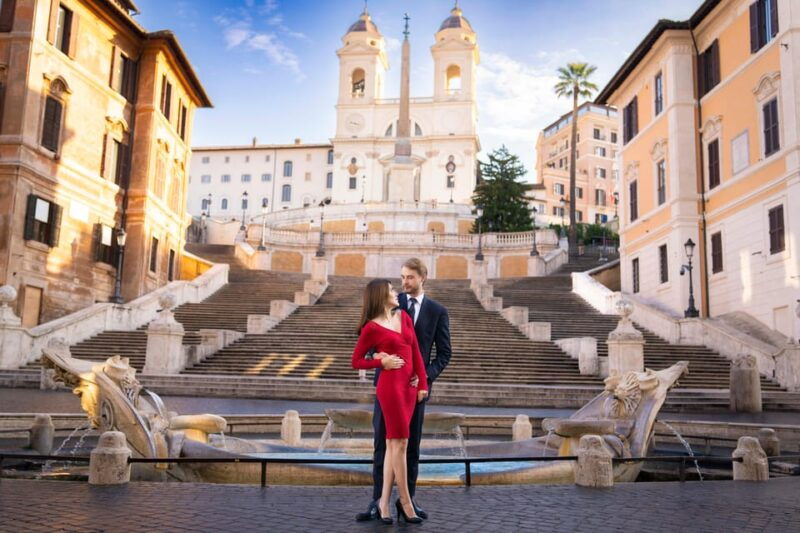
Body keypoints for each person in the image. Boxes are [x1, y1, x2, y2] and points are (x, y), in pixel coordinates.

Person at [356, 258, 452, 522]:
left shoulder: (437, 310)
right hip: (387, 385)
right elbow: (370, 339)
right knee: (381, 443)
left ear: (423, 277)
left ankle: (407, 501)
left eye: (409, 277)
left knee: (411, 447)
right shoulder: (390, 304)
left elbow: (444, 354)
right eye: (402, 277)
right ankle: (378, 502)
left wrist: (424, 379)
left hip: (415, 390)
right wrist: (380, 356)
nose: (404, 283)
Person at [351, 278, 429, 525]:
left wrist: (423, 383)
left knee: (393, 446)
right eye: (391, 290)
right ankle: (405, 502)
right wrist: (380, 361)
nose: (396, 292)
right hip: (391, 387)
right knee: (401, 444)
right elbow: (356, 361)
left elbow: (415, 350)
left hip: (409, 387)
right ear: (380, 296)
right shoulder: (371, 328)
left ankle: (384, 502)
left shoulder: (404, 317)